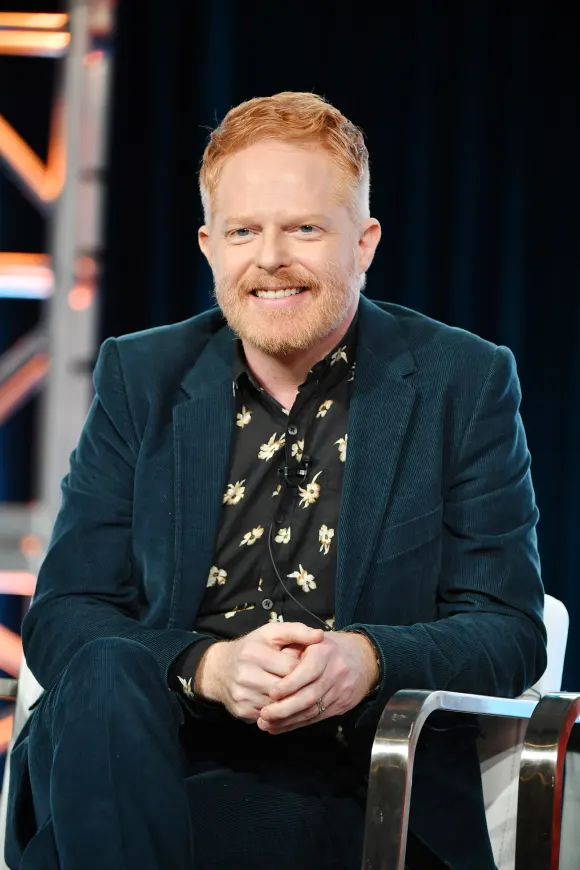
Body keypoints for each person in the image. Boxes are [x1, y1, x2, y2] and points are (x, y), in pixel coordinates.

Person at [5, 91, 546, 870]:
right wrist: (206, 668)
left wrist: (365, 658)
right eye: (243, 232)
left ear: (363, 243)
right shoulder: (141, 375)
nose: (269, 259)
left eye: (303, 229)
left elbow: (507, 628)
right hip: (148, 747)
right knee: (107, 667)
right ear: (207, 246)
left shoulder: (464, 380)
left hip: (350, 768)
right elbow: (63, 616)